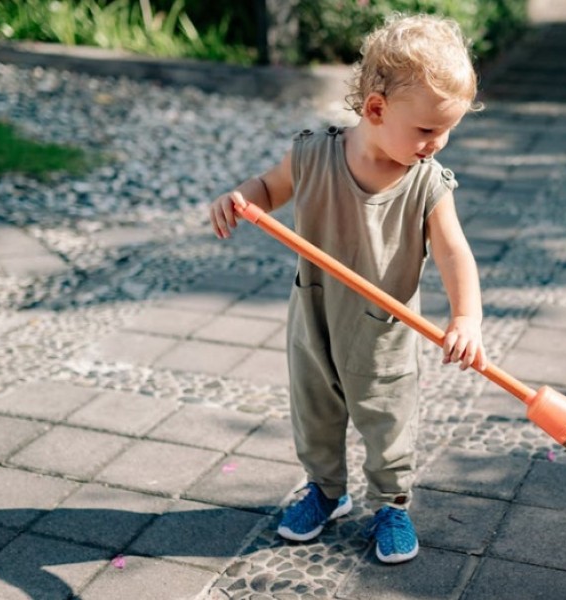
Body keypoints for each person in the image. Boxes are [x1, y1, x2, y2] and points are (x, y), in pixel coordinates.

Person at [207, 13, 486, 564]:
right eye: (427, 130)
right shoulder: (313, 154)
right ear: (377, 110)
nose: (438, 143)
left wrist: (466, 318)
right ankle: (325, 491)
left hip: (383, 332)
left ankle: (391, 504)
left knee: (387, 420)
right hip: (314, 317)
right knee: (314, 412)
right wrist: (239, 200)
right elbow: (268, 187)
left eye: (446, 130)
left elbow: (454, 251)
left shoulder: (426, 182)